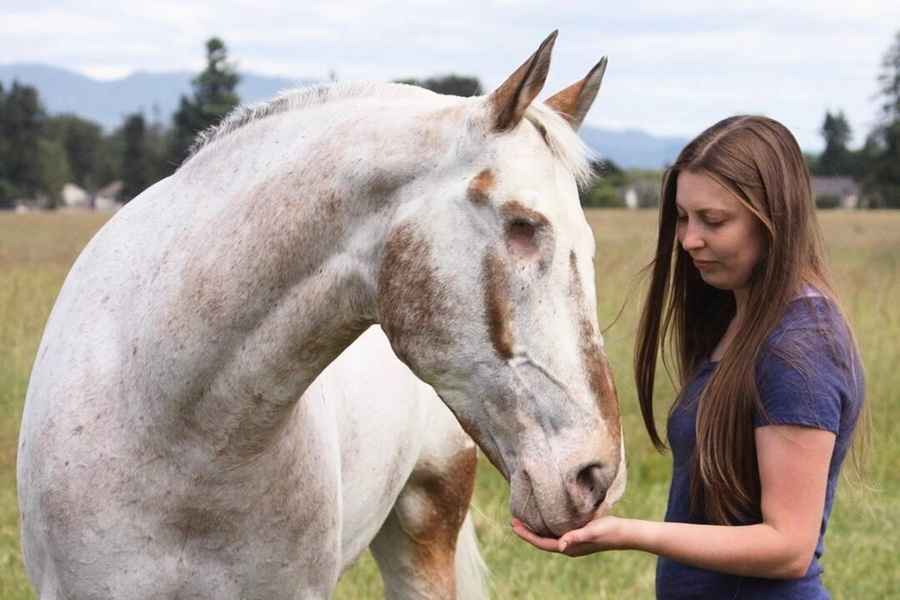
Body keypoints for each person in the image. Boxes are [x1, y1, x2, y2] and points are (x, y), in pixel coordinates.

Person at [512, 115, 865, 599]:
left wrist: (629, 533)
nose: (688, 239)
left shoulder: (800, 346)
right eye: (682, 217)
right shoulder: (743, 321)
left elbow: (788, 546)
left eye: (713, 221)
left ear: (773, 219)